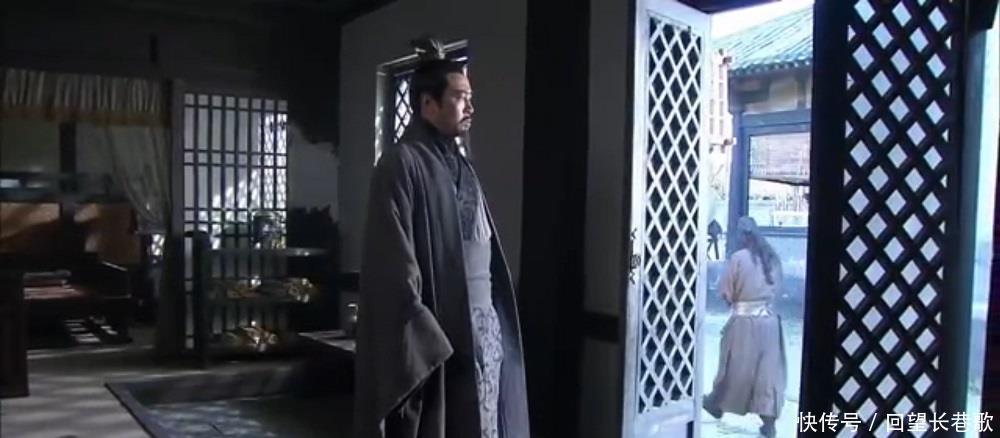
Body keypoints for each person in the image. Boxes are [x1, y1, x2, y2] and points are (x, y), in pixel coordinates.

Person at [354, 37, 530, 438]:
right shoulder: (400, 164)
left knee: (487, 423)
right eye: (460, 97)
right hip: (441, 335)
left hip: (484, 330)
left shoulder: (463, 167)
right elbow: (391, 264)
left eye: (470, 98)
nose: (470, 107)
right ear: (427, 104)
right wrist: (427, 338)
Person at [703, 216, 786, 438]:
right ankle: (768, 422)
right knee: (767, 374)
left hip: (743, 324)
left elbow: (726, 292)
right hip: (769, 324)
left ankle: (716, 403)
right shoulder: (771, 258)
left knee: (734, 368)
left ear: (741, 236)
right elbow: (777, 289)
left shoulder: (738, 258)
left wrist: (735, 300)